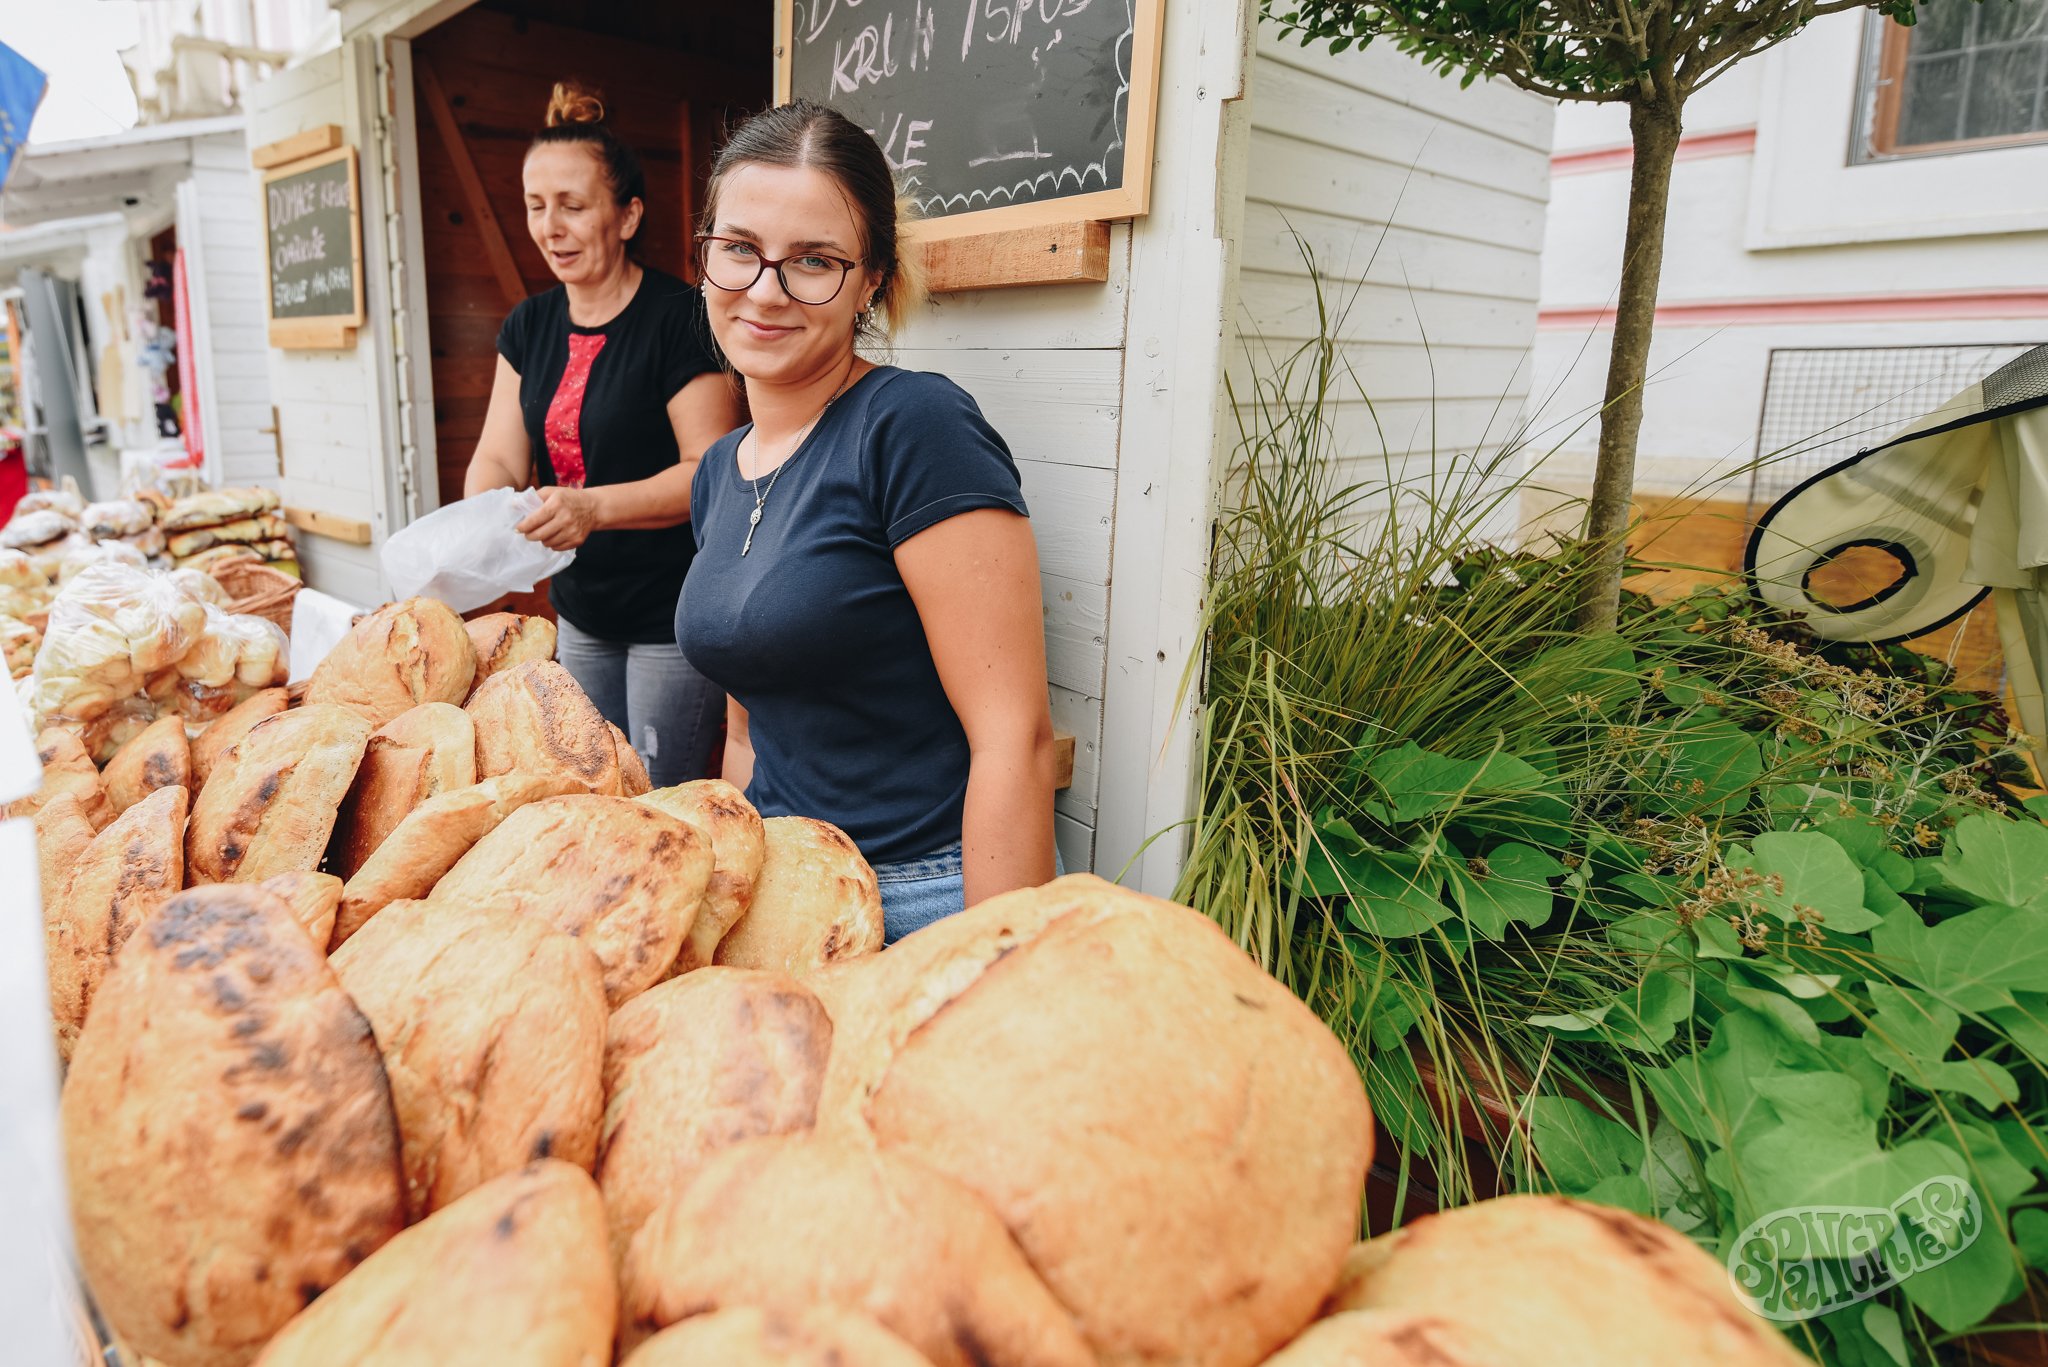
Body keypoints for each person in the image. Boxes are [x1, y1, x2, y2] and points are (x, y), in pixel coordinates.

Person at [676, 99, 1058, 941]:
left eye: (813, 260)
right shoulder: (718, 470)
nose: (765, 291)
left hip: (920, 897)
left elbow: (1014, 740)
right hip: (780, 892)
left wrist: (995, 966)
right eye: (739, 249)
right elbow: (747, 733)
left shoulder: (912, 426)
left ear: (872, 280)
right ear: (705, 257)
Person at [464, 81, 741, 786]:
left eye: (573, 206)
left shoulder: (680, 318)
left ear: (627, 216)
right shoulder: (529, 326)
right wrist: (484, 514)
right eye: (535, 206)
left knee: (656, 789)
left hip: (669, 612)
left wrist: (592, 508)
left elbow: (707, 468)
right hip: (582, 607)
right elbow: (498, 454)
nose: (549, 227)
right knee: (590, 782)